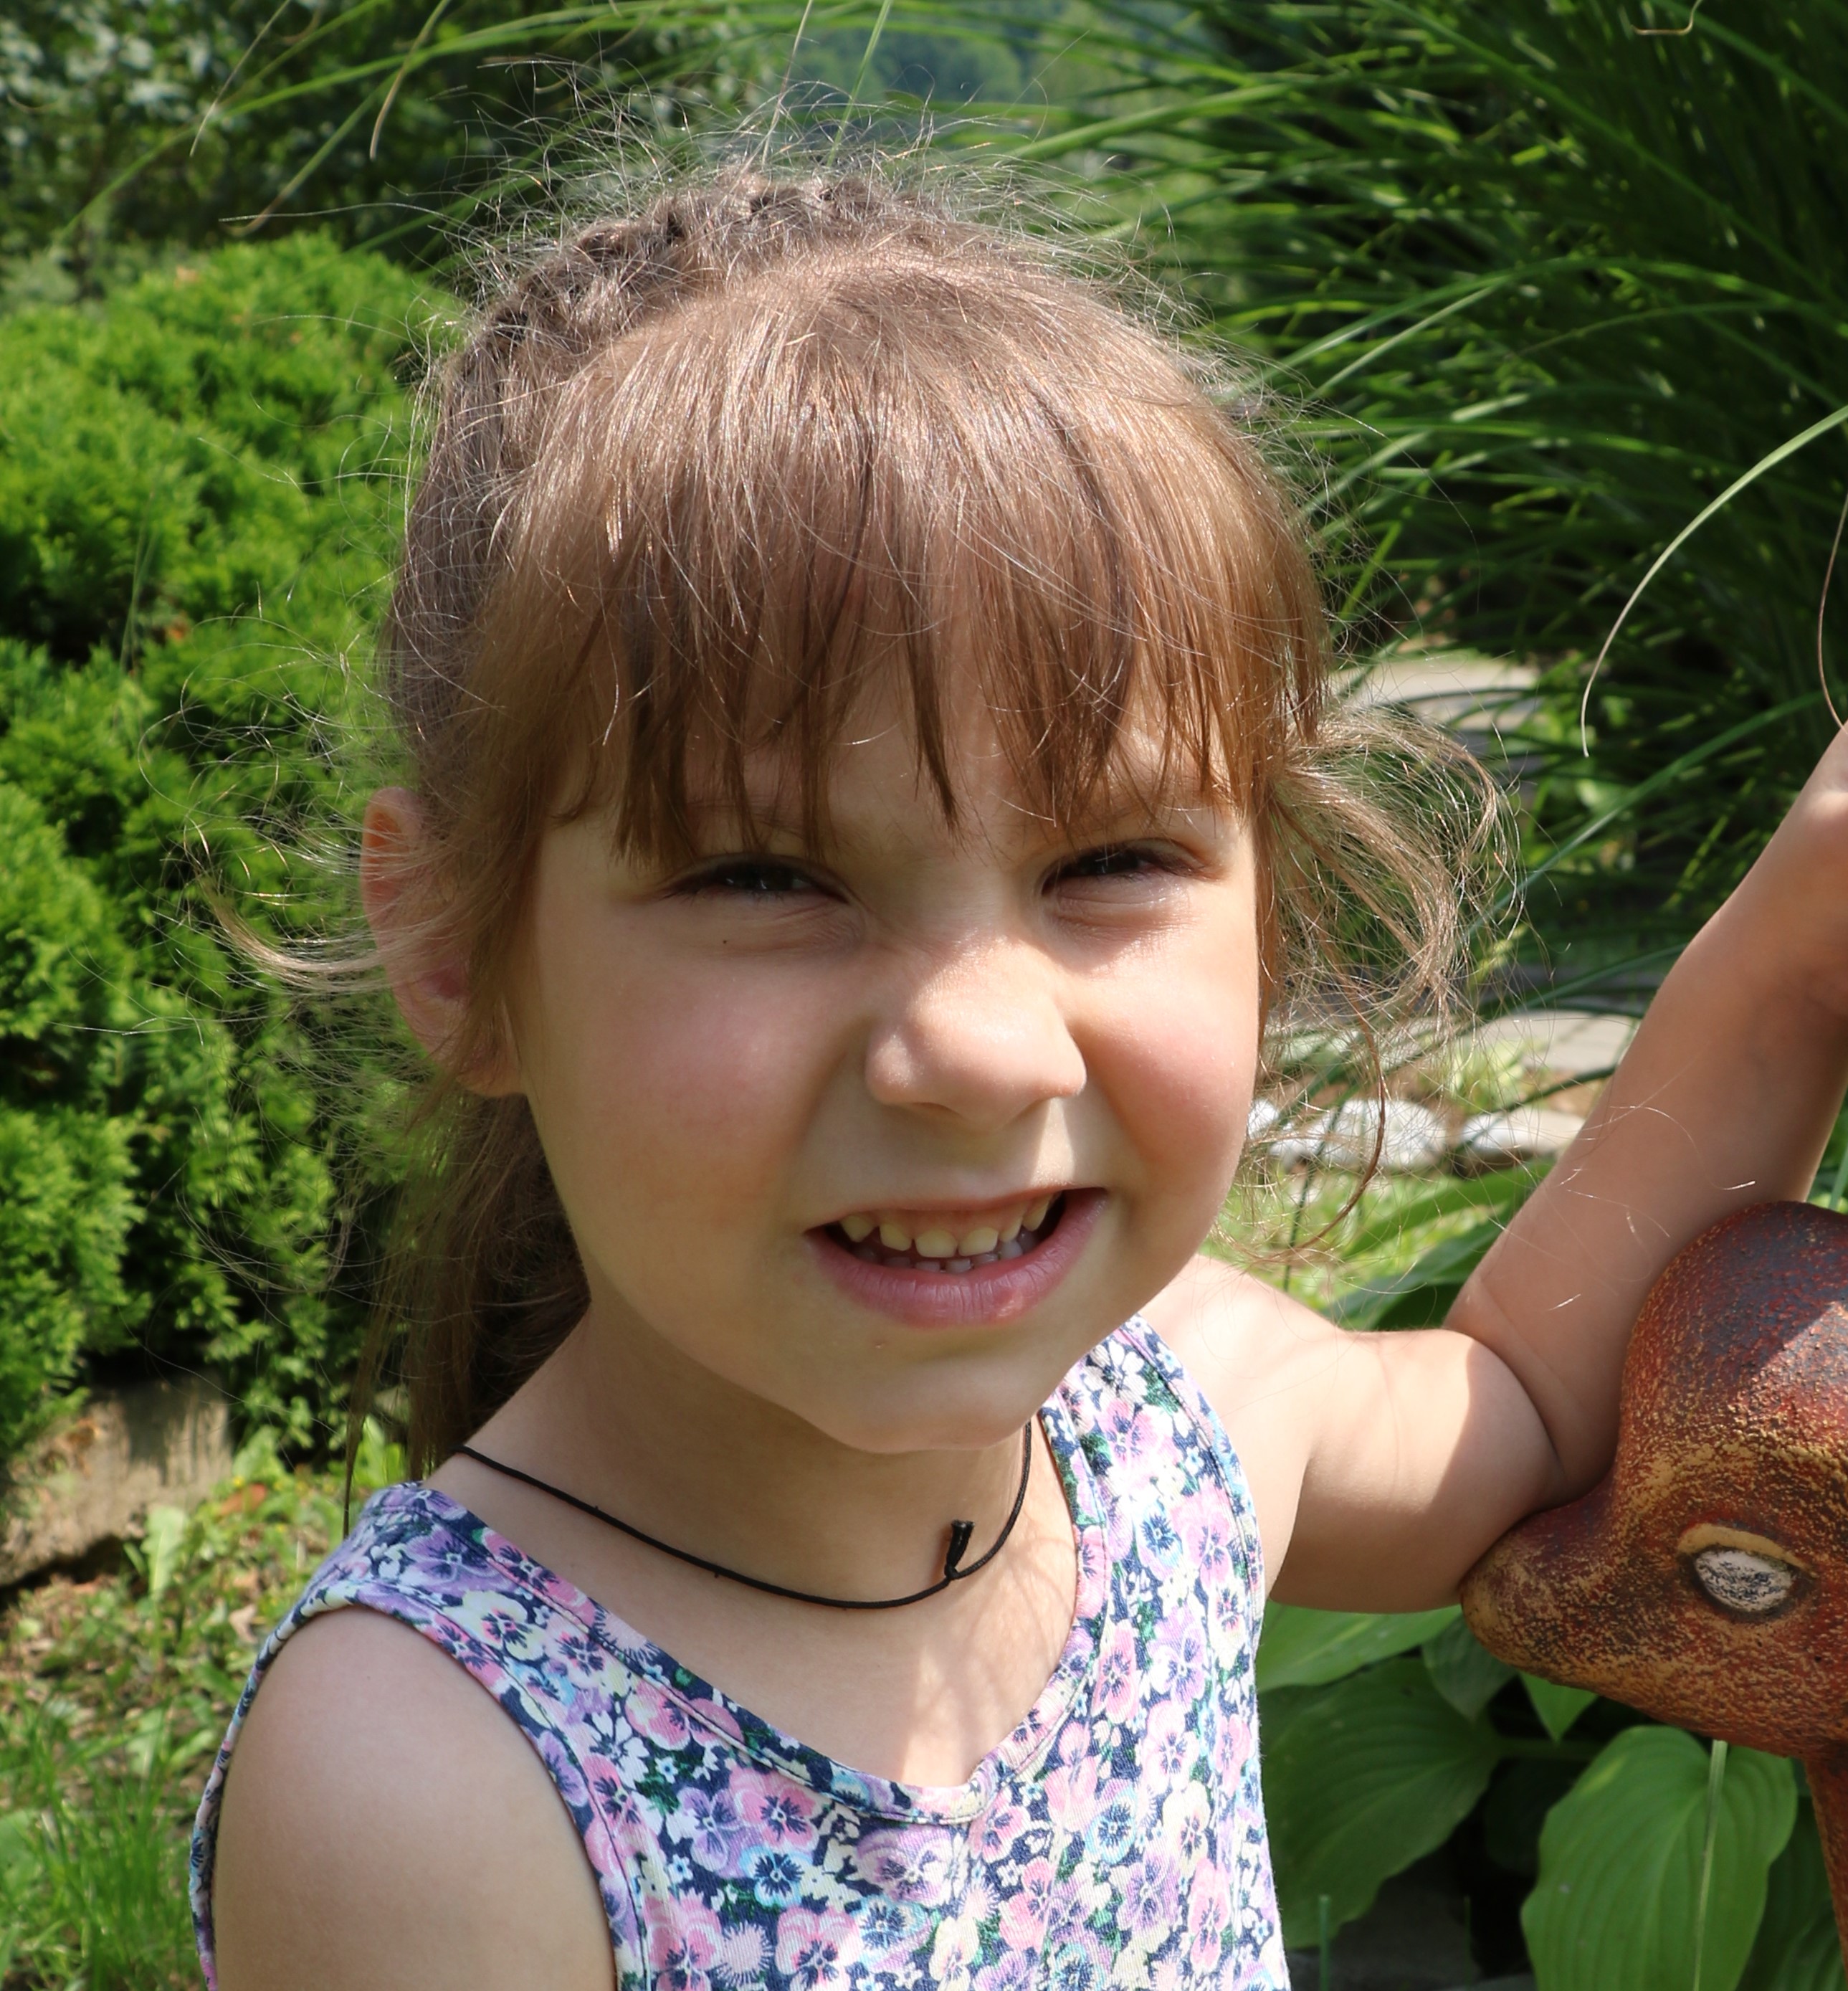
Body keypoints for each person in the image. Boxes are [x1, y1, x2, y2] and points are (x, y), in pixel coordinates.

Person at [189, 166, 1848, 1991]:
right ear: (457, 951)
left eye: (1109, 861)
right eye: (765, 878)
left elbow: (1520, 1402)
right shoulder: (426, 1782)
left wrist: (1796, 945)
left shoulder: (1166, 1417)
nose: (981, 1053)